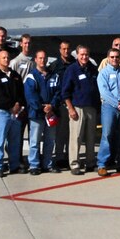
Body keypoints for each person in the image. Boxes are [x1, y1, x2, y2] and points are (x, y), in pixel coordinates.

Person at [61, 45, 100, 174]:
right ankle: (74, 164)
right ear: (77, 55)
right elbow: (65, 92)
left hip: (91, 108)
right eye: (82, 54)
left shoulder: (93, 69)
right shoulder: (72, 70)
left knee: (90, 137)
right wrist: (70, 109)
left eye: (87, 54)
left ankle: (90, 163)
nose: (84, 57)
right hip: (77, 108)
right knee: (76, 137)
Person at [0, 49, 25, 177]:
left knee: (14, 141)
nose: (6, 60)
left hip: (15, 113)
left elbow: (21, 92)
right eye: (3, 57)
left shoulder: (15, 75)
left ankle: (14, 165)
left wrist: (18, 104)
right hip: (1, 112)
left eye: (8, 57)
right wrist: (11, 106)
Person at [97, 48, 120, 175]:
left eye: (117, 57)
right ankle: (102, 164)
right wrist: (117, 104)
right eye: (112, 57)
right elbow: (104, 92)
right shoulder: (103, 73)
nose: (115, 59)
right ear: (108, 58)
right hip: (109, 107)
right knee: (107, 134)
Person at [23, 49, 57, 175]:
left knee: (50, 140)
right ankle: (34, 165)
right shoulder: (31, 77)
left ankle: (47, 164)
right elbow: (31, 96)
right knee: (34, 141)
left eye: (44, 58)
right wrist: (42, 108)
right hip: (36, 115)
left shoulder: (53, 76)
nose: (42, 61)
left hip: (50, 114)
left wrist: (51, 106)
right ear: (36, 60)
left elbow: (57, 93)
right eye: (40, 58)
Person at [48, 40, 75, 171]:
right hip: (61, 104)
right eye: (63, 49)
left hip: (74, 102)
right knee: (61, 133)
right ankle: (59, 157)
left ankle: (70, 156)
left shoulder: (75, 64)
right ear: (60, 50)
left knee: (72, 133)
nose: (66, 51)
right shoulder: (54, 66)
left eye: (68, 49)